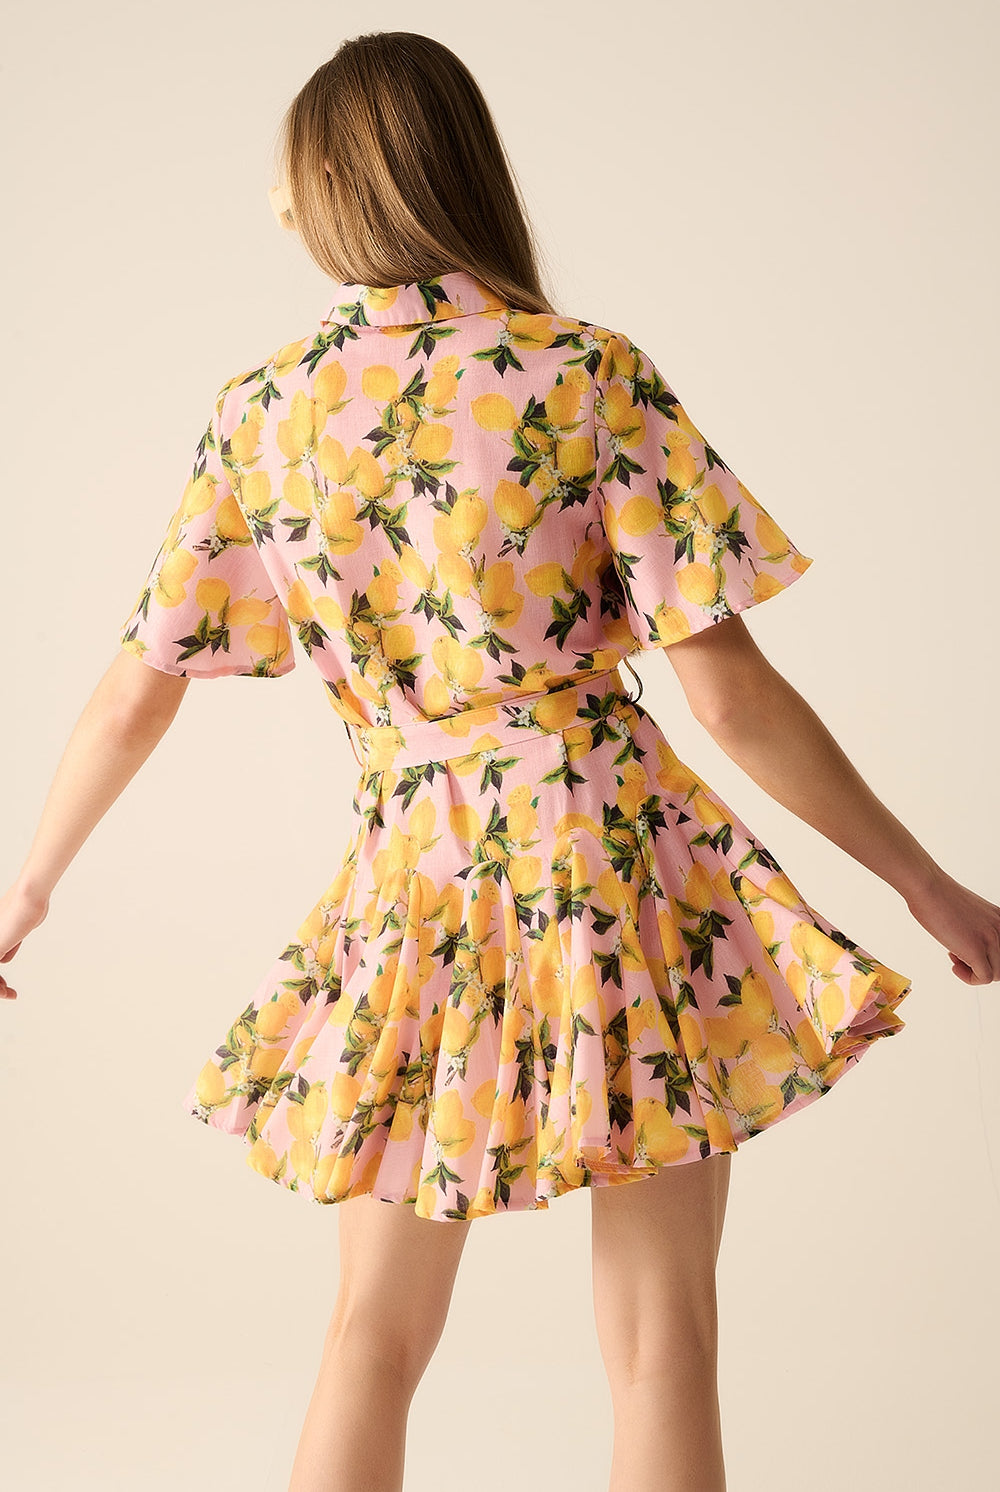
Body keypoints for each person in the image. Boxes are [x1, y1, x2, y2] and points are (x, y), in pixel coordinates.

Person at [2, 27, 998, 1492]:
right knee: (662, 1340)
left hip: (418, 874)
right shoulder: (585, 375)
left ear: (319, 193)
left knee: (370, 1336)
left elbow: (135, 689)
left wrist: (25, 888)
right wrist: (925, 884)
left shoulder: (265, 412)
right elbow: (727, 697)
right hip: (617, 862)